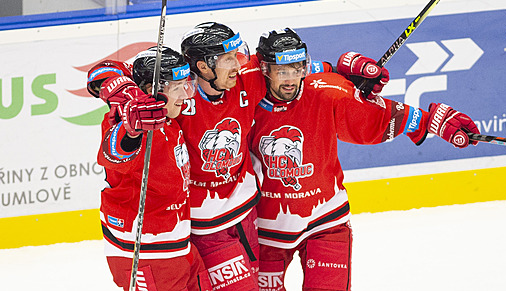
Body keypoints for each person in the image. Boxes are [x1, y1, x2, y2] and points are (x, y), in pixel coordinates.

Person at [248, 28, 480, 291]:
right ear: (265, 69)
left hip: (326, 221)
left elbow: (372, 120)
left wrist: (429, 121)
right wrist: (336, 67)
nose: (291, 80)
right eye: (282, 71)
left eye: (297, 69)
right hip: (265, 230)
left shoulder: (325, 92)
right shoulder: (245, 100)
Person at [177, 23, 388, 291]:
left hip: (247, 219)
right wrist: (123, 93)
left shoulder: (247, 75)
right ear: (203, 66)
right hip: (209, 228)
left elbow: (289, 67)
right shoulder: (177, 97)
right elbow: (118, 76)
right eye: (228, 58)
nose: (238, 64)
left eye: (237, 56)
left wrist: (343, 70)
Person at [91, 48, 211, 291]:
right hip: (145, 249)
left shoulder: (165, 116)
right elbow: (115, 152)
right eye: (177, 87)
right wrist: (132, 127)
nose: (185, 96)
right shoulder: (130, 123)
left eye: (185, 85)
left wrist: (128, 92)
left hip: (176, 242)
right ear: (152, 90)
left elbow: (103, 72)